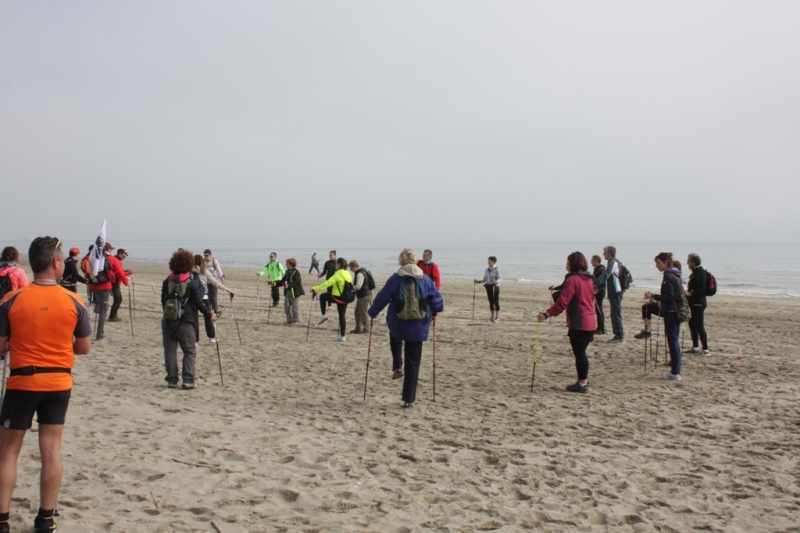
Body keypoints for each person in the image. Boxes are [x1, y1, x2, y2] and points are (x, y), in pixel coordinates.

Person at [0, 236, 91, 533]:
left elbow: (1, 347)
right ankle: (45, 519)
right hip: (57, 382)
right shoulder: (74, 301)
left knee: (9, 451)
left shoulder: (12, 299)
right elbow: (83, 347)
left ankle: (2, 519)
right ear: (55, 263)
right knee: (51, 448)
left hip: (22, 381)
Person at [368, 248, 444, 409]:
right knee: (413, 362)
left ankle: (397, 365)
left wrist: (372, 313)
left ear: (401, 260)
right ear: (416, 261)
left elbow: (382, 297)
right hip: (418, 326)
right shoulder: (425, 279)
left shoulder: (395, 279)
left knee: (395, 336)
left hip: (398, 324)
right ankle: (409, 400)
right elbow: (438, 302)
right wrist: (435, 310)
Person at [537, 252, 596, 393]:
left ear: (574, 264)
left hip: (580, 321)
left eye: (568, 262)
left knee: (580, 353)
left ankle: (582, 383)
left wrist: (547, 314)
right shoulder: (588, 279)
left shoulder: (574, 279)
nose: (566, 265)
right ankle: (584, 380)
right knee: (581, 352)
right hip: (590, 320)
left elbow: (562, 302)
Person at [161, 250, 216, 389]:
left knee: (170, 351)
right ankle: (188, 380)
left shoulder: (167, 281)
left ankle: (172, 380)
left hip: (168, 320)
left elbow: (163, 302)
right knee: (189, 351)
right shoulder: (191, 283)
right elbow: (199, 302)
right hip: (186, 321)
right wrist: (209, 314)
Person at [645, 252, 683, 381]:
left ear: (666, 262)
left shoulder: (668, 276)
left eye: (658, 263)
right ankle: (676, 369)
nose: (657, 266)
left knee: (673, 341)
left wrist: (653, 296)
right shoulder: (677, 275)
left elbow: (670, 296)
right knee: (675, 341)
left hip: (671, 312)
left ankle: (675, 372)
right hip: (676, 311)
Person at [87, 243, 129, 340]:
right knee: (103, 312)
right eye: (110, 249)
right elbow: (118, 272)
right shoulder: (112, 259)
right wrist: (126, 282)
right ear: (108, 250)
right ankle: (99, 334)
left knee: (92, 308)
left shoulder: (93, 258)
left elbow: (87, 269)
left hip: (92, 285)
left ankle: (88, 331)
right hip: (105, 286)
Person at [193, 255, 233, 343]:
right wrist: (226, 288)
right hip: (203, 296)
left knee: (194, 318)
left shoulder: (189, 271)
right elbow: (214, 282)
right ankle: (212, 337)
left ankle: (195, 340)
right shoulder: (204, 270)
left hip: (193, 297)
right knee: (208, 316)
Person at [311, 257, 352, 342]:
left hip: (337, 296)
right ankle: (342, 336)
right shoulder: (347, 273)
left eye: (336, 263)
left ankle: (323, 315)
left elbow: (327, 283)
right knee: (342, 316)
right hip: (346, 297)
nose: (335, 265)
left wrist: (315, 288)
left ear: (339, 265)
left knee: (322, 296)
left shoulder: (338, 274)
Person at [594, 246, 625, 343]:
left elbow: (606, 274)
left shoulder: (613, 262)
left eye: (604, 252)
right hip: (614, 291)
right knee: (614, 314)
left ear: (610, 253)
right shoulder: (613, 262)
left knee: (616, 314)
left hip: (616, 291)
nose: (603, 254)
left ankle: (619, 336)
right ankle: (618, 335)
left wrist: (595, 282)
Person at [686, 253, 710, 356]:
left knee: (699, 325)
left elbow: (702, 289)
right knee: (692, 323)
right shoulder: (695, 272)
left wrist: (691, 293)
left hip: (699, 303)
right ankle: (695, 347)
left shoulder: (700, 273)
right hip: (694, 303)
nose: (687, 262)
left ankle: (705, 350)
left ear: (693, 262)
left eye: (689, 260)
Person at [107, 248, 132, 322]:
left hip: (114, 282)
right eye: (124, 255)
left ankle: (113, 315)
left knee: (118, 299)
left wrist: (127, 272)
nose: (125, 257)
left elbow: (119, 272)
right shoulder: (116, 261)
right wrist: (126, 281)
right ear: (120, 254)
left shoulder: (115, 260)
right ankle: (112, 316)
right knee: (118, 299)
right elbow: (119, 273)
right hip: (114, 282)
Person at [349, 259, 372, 334]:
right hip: (363, 295)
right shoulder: (361, 272)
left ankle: (366, 329)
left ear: (355, 266)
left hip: (364, 295)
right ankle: (358, 328)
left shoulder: (360, 274)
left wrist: (351, 288)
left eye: (351, 268)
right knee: (357, 313)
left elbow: (358, 286)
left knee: (363, 313)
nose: (351, 270)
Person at [474, 256, 500, 323]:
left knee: (496, 302)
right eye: (488, 261)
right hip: (488, 287)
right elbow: (485, 279)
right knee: (491, 302)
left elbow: (499, 278)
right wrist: (478, 282)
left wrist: (496, 282)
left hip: (495, 287)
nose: (488, 262)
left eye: (489, 261)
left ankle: (497, 318)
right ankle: (492, 317)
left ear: (493, 261)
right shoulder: (487, 270)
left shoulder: (497, 269)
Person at [280, 258, 305, 325]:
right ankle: (289, 320)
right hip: (288, 291)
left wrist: (289, 285)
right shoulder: (287, 271)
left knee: (295, 307)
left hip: (295, 292)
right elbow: (282, 281)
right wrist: (274, 283)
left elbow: (296, 282)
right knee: (286, 306)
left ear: (291, 264)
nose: (286, 265)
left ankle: (296, 320)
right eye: (286, 263)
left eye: (287, 263)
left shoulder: (296, 272)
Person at [203, 250, 224, 315]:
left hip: (214, 281)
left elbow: (218, 270)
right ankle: (209, 311)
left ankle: (215, 311)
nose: (206, 257)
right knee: (207, 296)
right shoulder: (203, 262)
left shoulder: (214, 262)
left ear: (210, 255)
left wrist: (221, 277)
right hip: (206, 282)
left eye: (207, 255)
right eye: (205, 255)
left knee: (214, 297)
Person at [591, 255, 606, 335]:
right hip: (598, 291)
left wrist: (597, 288)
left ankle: (600, 329)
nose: (591, 262)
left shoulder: (601, 269)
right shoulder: (597, 269)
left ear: (596, 261)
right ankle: (601, 328)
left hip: (600, 292)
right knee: (598, 310)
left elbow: (602, 281)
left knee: (599, 310)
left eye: (592, 260)